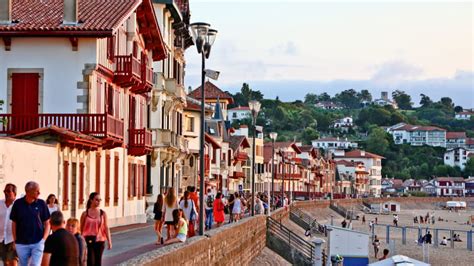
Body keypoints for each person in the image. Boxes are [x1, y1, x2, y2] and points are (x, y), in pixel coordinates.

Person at [10, 181, 50, 266]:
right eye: (37, 191)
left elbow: (47, 222)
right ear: (28, 191)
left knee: (35, 264)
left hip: (38, 242)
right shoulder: (18, 204)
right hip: (21, 243)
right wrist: (15, 240)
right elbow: (14, 222)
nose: (39, 193)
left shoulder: (41, 203)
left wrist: (43, 239)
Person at [80, 192, 112, 266]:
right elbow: (81, 228)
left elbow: (106, 227)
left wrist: (109, 241)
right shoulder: (85, 214)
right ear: (91, 200)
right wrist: (81, 240)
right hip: (88, 240)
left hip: (100, 241)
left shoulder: (102, 213)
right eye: (97, 200)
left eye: (100, 200)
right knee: (90, 261)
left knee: (98, 262)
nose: (99, 202)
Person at [0, 183, 18, 266]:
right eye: (4, 191)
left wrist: (17, 240)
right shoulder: (0, 204)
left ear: (14, 193)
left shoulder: (18, 206)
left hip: (12, 239)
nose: (6, 193)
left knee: (13, 263)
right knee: (5, 263)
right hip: (0, 239)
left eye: (8, 191)